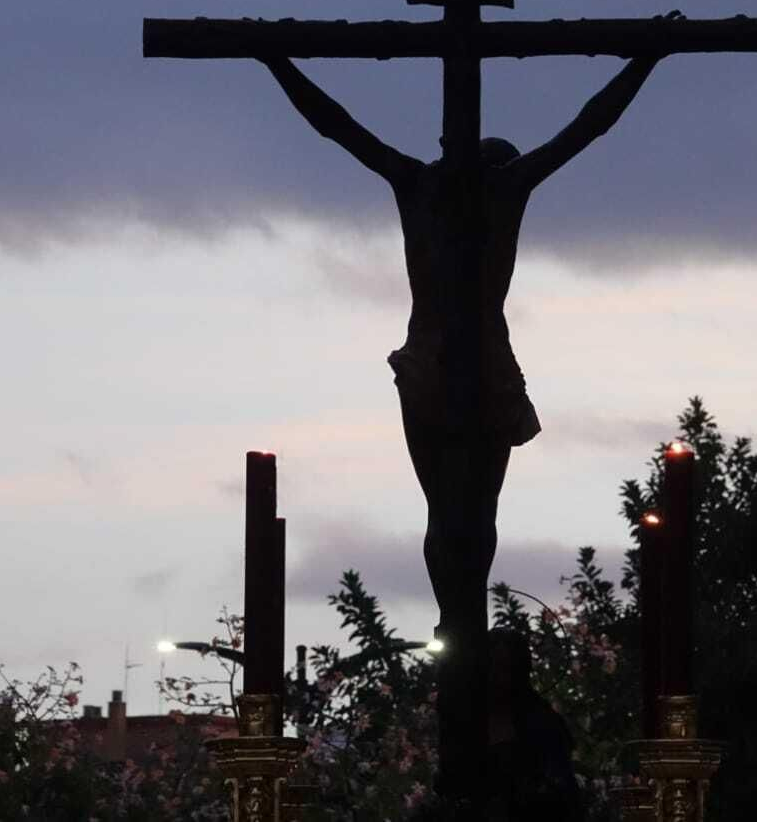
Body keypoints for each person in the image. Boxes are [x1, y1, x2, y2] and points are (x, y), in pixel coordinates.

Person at [255, 51, 663, 641]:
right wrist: (647, 58)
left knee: (450, 510)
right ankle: (459, 615)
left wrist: (276, 61)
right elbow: (589, 124)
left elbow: (335, 123)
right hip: (456, 363)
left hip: (447, 362)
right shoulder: (484, 186)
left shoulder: (431, 182)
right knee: (468, 511)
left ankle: (458, 615)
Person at [484, 628, 583, 821]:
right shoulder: (469, 719)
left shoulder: (543, 722)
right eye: (489, 668)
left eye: (503, 668)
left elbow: (561, 791)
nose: (494, 677)